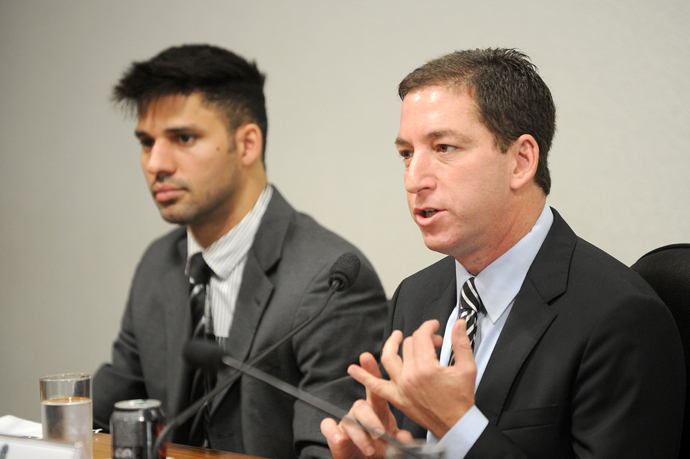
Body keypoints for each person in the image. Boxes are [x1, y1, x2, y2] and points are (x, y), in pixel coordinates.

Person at [321, 48, 685, 458]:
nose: (414, 179)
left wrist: (459, 427)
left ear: (521, 161)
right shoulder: (415, 296)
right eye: (407, 154)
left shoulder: (620, 317)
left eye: (444, 148)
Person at [92, 44, 388, 459]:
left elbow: (328, 451)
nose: (156, 162)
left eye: (183, 138)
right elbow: (109, 412)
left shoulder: (328, 282)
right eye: (146, 142)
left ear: (247, 144)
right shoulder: (159, 263)